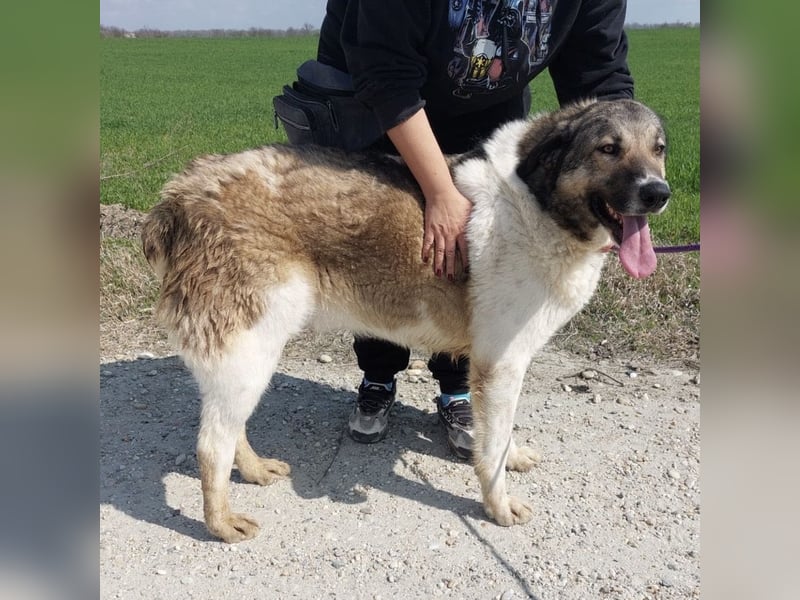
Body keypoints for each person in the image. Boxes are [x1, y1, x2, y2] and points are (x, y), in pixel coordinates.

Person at [313, 0, 634, 458]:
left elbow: (599, 78)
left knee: (470, 252)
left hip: (488, 103)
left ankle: (457, 389)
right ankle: (378, 375)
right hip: (377, 97)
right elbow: (385, 75)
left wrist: (610, 194)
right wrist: (439, 191)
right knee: (386, 242)